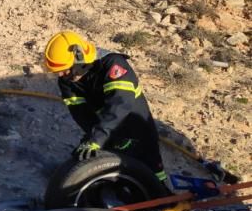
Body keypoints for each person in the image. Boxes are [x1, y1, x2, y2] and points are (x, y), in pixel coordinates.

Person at [43, 30, 166, 185]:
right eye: (58, 72)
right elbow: (81, 114)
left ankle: (166, 200)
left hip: (138, 130)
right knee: (105, 175)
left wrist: (98, 138)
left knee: (152, 178)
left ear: (79, 58)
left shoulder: (112, 65)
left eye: (65, 69)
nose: (61, 75)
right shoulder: (67, 81)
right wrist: (92, 138)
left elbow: (120, 104)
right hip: (105, 132)